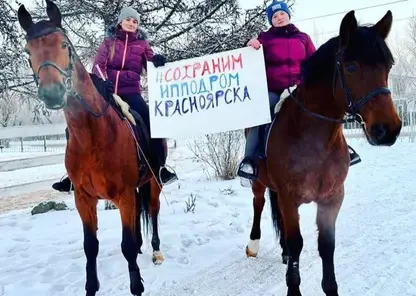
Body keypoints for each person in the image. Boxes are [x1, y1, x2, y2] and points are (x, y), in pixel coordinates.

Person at [52, 6, 178, 192]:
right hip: (107, 92)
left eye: (135, 21)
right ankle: (72, 175)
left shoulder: (142, 45)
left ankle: (159, 168)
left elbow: (150, 64)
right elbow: (98, 65)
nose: (131, 23)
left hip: (131, 92)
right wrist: (104, 83)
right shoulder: (109, 42)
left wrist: (157, 60)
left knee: (152, 122)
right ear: (120, 21)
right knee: (77, 122)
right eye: (128, 20)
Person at [236, 0, 361, 181]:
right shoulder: (265, 38)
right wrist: (250, 44)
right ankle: (249, 161)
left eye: (282, 14)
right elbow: (251, 57)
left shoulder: (303, 38)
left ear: (288, 15)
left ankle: (343, 149)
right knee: (260, 113)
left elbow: (315, 61)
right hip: (275, 88)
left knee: (327, 107)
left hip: (300, 87)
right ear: (271, 20)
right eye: (274, 16)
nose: (279, 18)